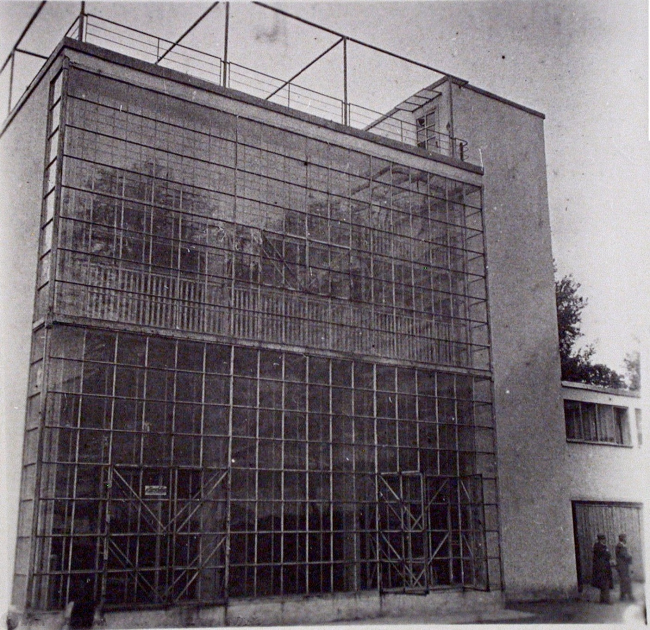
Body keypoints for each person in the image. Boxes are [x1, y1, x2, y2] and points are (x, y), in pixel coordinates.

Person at [591, 534, 613, 604]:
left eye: (604, 539)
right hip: (601, 568)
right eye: (603, 539)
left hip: (604, 567)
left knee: (604, 584)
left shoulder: (602, 546)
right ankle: (606, 600)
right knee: (604, 583)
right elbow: (606, 555)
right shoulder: (598, 546)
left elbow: (608, 555)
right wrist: (606, 552)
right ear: (600, 539)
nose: (604, 540)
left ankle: (603, 600)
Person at [615, 533, 634, 601]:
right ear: (622, 539)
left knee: (624, 581)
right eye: (625, 538)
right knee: (626, 581)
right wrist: (630, 556)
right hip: (622, 566)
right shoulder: (620, 546)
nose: (626, 539)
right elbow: (624, 556)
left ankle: (623, 596)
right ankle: (628, 596)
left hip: (623, 566)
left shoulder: (621, 545)